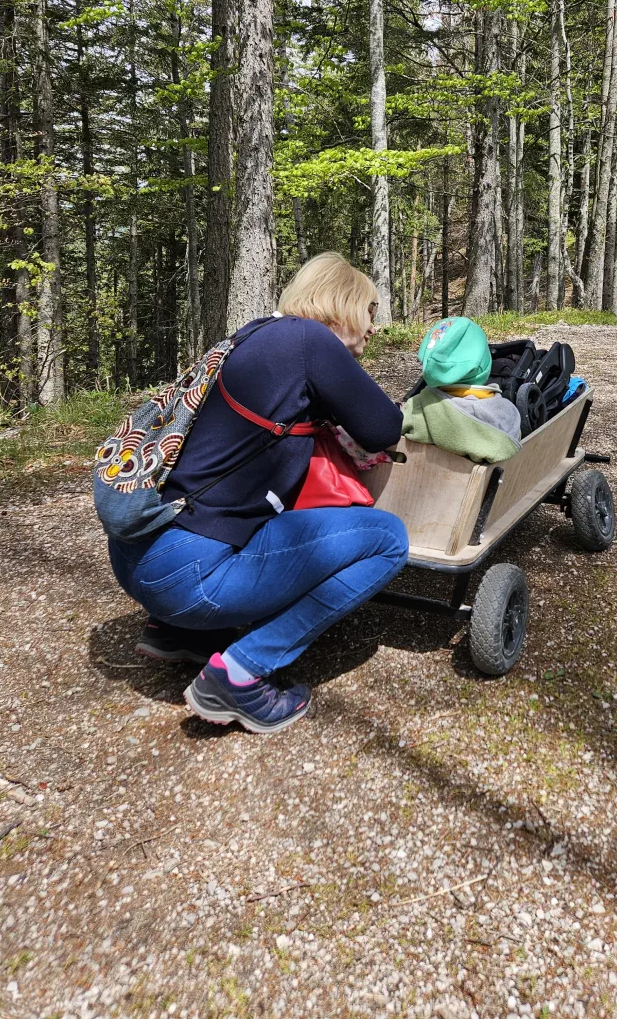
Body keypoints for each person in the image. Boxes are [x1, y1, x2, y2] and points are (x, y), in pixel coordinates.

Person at [106, 253, 407, 735]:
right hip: (188, 574)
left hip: (137, 556)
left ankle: (178, 632)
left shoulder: (255, 335)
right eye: (370, 311)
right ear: (343, 303)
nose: (373, 328)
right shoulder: (310, 339)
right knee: (388, 538)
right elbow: (382, 427)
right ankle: (239, 675)